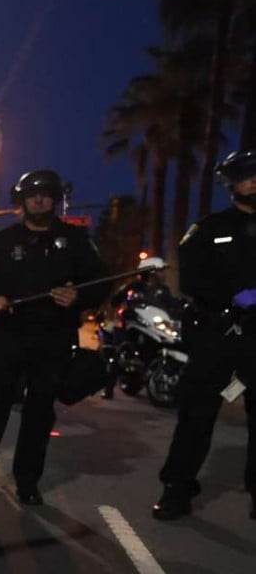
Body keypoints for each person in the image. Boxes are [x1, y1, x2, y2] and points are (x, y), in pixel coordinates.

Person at [0, 169, 107, 505]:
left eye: (45, 193)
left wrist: (79, 297)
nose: (39, 198)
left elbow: (100, 283)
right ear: (22, 200)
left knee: (39, 413)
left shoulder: (75, 241)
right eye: (32, 194)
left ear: (55, 198)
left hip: (54, 337)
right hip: (7, 336)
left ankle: (27, 482)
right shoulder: (1, 242)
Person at [153, 149, 256, 521]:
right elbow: (191, 278)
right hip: (216, 333)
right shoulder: (209, 228)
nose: (255, 182)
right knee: (196, 417)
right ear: (231, 184)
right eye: (247, 176)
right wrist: (230, 298)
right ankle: (176, 490)